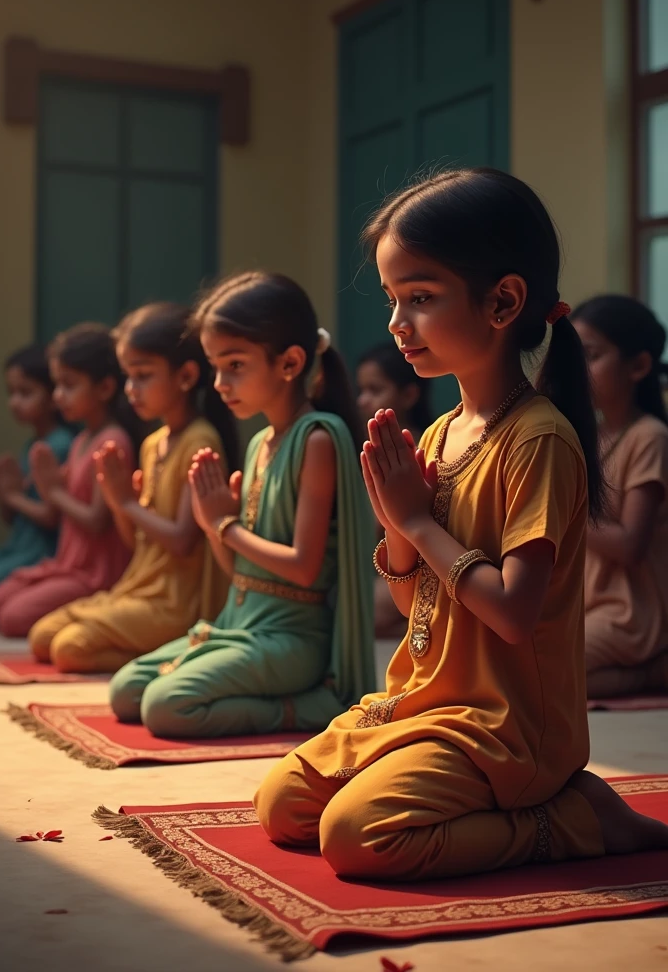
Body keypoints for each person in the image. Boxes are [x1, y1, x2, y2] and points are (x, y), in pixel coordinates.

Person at [255, 168, 668, 884]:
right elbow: (413, 587)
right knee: (282, 806)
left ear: (503, 301)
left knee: (356, 838)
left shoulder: (538, 439)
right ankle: (542, 803)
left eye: (419, 297)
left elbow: (512, 613)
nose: (395, 323)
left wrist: (417, 518)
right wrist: (398, 524)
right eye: (391, 300)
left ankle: (573, 817)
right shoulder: (443, 430)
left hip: (504, 724)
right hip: (427, 697)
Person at [109, 271, 375, 739]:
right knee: (126, 691)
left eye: (234, 365)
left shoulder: (317, 438)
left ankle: (311, 706)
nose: (219, 383)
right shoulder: (259, 445)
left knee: (166, 706)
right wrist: (213, 528)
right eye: (215, 366)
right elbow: (241, 576)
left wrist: (224, 524)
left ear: (290, 363)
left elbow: (304, 569)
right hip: (241, 624)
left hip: (291, 641)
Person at [28, 302, 238, 673]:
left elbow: (182, 540)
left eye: (142, 376)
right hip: (138, 588)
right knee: (42, 636)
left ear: (186, 377)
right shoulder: (152, 442)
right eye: (128, 376)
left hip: (174, 602)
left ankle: (170, 652)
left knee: (69, 649)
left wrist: (126, 501)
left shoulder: (200, 441)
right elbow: (136, 542)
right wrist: (118, 501)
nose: (131, 389)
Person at [0, 324, 136, 637]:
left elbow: (96, 520)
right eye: (56, 386)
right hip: (67, 565)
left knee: (12, 618)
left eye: (68, 386)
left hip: (94, 573)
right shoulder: (81, 441)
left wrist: (52, 491)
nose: (58, 396)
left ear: (105, 389)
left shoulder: (113, 441)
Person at [572, 296, 668, 698]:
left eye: (591, 355)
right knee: (516, 662)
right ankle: (654, 673)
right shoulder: (592, 437)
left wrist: (560, 513)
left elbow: (630, 544)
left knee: (544, 672)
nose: (578, 369)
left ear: (639, 366)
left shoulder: (650, 437)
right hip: (588, 604)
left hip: (629, 613)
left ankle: (652, 670)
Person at [0, 345, 74, 603]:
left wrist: (12, 496)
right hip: (17, 547)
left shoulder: (60, 445)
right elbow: (12, 519)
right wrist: (2, 492)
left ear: (51, 395)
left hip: (41, 553)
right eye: (11, 393)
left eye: (26, 393)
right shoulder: (31, 444)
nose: (15, 402)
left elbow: (52, 517)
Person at [357, 341, 432, 641]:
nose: (362, 400)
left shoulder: (414, 448)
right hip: (390, 568)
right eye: (360, 390)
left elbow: (376, 526)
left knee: (358, 615)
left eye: (375, 390)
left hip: (421, 570)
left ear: (410, 394)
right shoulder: (373, 448)